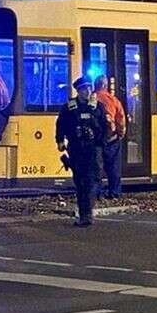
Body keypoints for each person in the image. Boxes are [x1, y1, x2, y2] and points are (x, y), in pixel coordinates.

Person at [55, 77, 109, 226]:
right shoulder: (69, 107)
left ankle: (87, 214)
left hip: (93, 148)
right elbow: (60, 125)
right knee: (80, 182)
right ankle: (84, 214)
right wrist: (60, 141)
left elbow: (106, 127)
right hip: (77, 148)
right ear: (78, 91)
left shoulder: (98, 107)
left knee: (92, 181)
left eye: (89, 88)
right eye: (84, 89)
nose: (88, 91)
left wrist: (101, 144)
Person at [94, 75, 126, 199]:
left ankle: (97, 193)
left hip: (96, 140)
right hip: (111, 139)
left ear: (95, 85)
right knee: (113, 167)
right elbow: (121, 119)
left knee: (97, 168)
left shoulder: (92, 98)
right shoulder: (113, 100)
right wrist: (120, 133)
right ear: (105, 86)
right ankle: (115, 192)